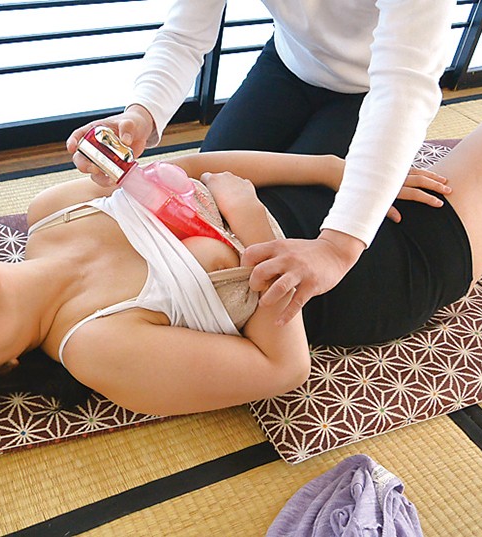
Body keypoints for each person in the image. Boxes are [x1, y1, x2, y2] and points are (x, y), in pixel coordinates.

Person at [0, 78, 482, 430]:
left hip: (321, 201)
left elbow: (193, 166)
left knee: (357, 87)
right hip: (377, 269)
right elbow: (283, 368)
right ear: (2, 367)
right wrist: (247, 217)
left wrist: (339, 173)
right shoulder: (96, 347)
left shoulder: (49, 212)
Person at [67, 0, 456, 326]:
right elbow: (184, 34)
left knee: (284, 223)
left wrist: (338, 246)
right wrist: (140, 114)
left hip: (372, 89)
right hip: (290, 62)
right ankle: (337, 169)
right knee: (209, 193)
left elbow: (403, 90)